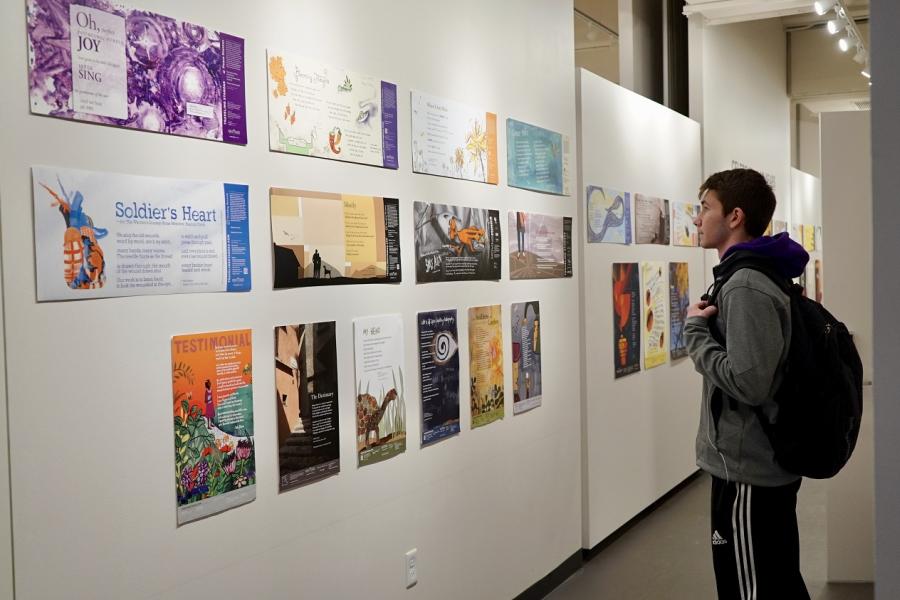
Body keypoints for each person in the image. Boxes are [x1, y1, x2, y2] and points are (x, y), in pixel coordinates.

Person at [684, 168, 810, 599]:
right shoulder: (752, 275)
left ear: (734, 216)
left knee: (751, 589)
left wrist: (695, 334)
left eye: (705, 208)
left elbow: (750, 382)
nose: (697, 219)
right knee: (776, 582)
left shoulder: (745, 285)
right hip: (752, 464)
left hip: (749, 470)